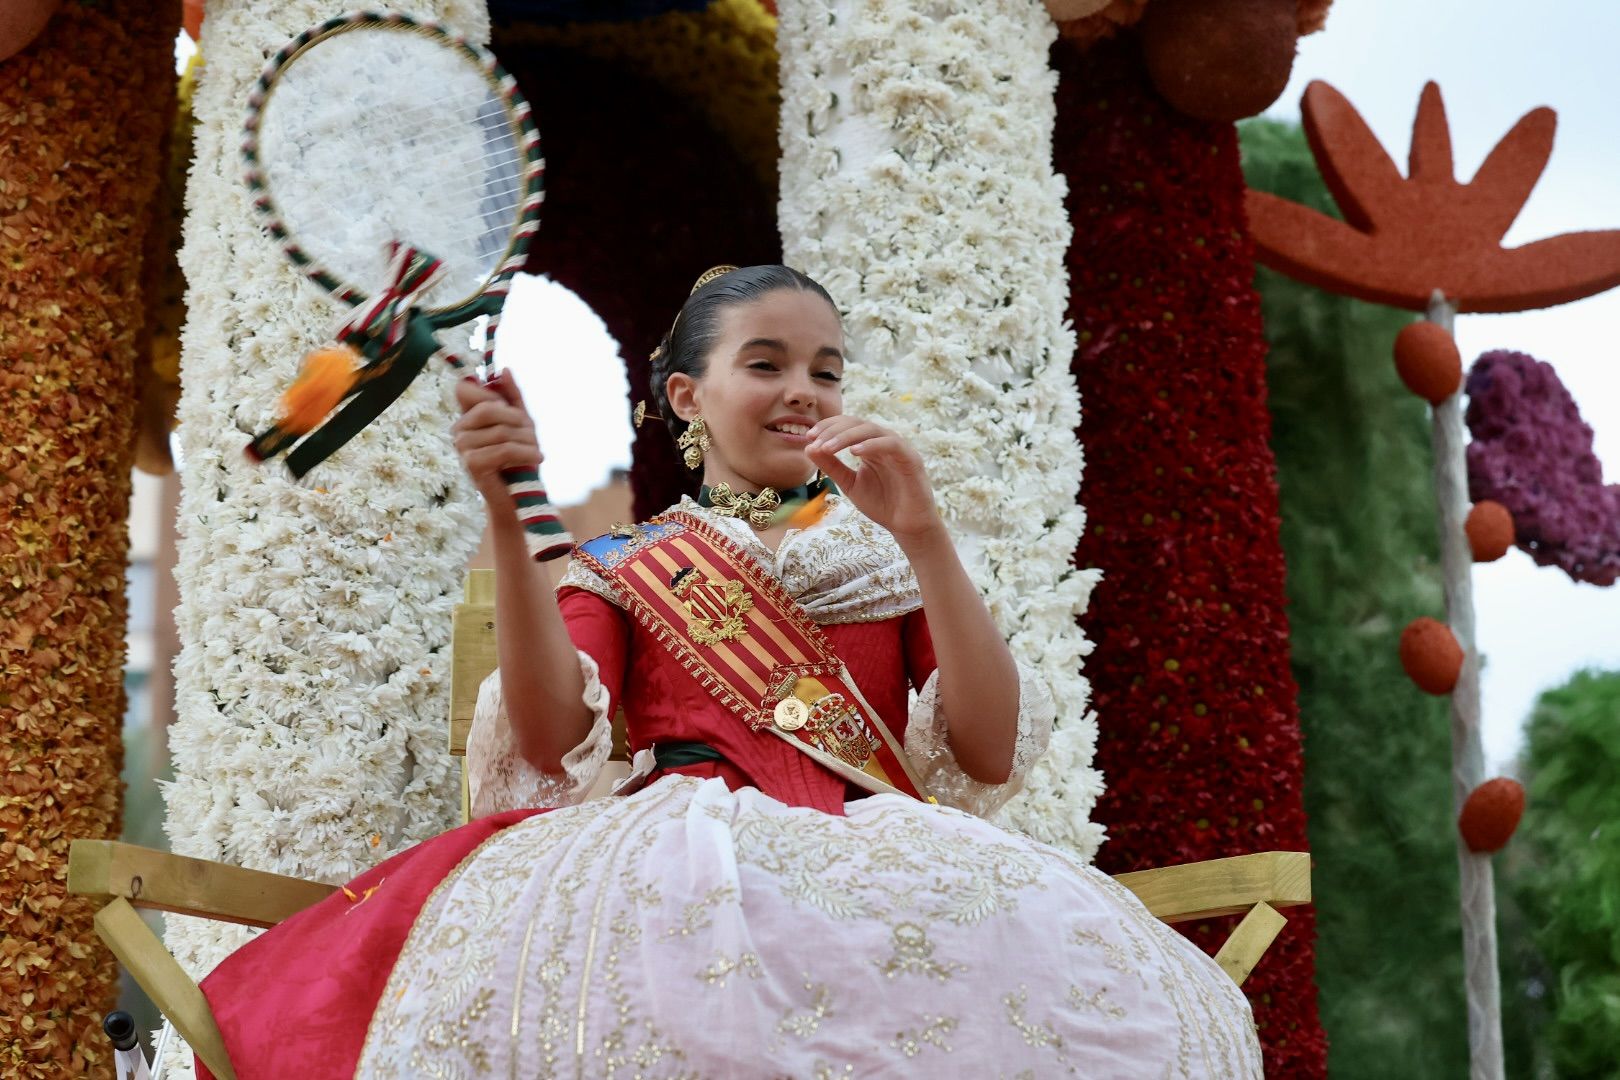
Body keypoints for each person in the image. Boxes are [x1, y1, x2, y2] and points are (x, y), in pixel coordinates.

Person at [197, 265, 1261, 1079]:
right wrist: (508, 513)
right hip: (675, 863)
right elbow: (543, 731)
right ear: (687, 397)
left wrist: (928, 535)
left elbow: (983, 752)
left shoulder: (887, 557)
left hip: (880, 848)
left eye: (827, 370)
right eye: (767, 364)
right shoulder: (628, 564)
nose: (804, 390)